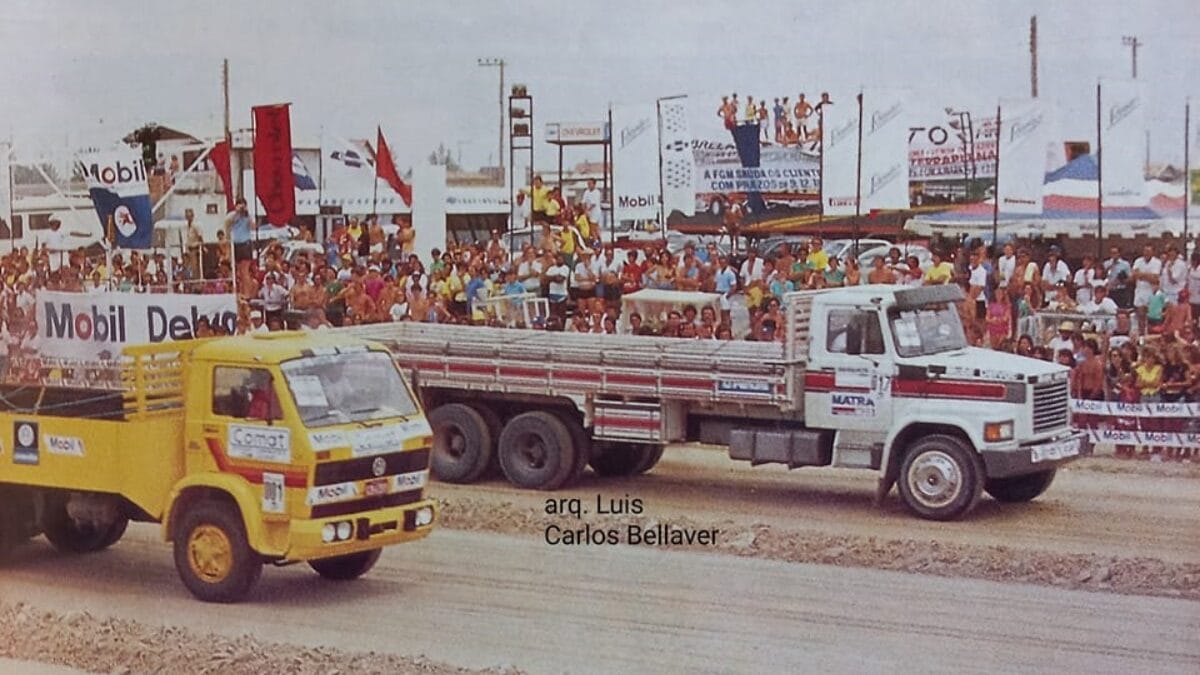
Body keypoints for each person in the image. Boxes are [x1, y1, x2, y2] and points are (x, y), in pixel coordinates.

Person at [223, 197, 256, 266]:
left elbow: (253, 227)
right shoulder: (232, 216)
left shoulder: (248, 216)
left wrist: (247, 215)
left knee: (244, 267)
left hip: (245, 243)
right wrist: (236, 214)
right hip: (236, 244)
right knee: (238, 267)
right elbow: (227, 224)